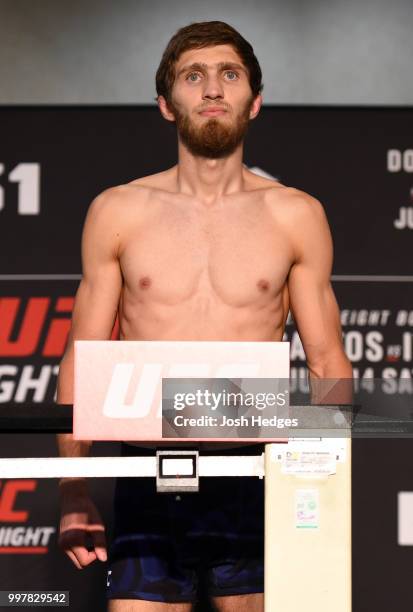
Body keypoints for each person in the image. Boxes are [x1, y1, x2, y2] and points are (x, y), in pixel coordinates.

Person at [57, 20, 352, 612]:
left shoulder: (296, 215)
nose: (212, 89)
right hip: (147, 471)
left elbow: (326, 359)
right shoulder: (119, 211)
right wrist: (73, 490)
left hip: (256, 472)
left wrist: (327, 488)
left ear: (255, 101)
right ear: (167, 104)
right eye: (194, 76)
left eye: (229, 75)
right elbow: (84, 355)